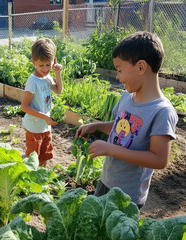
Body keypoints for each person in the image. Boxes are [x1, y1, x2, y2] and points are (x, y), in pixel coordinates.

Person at [75, 31, 178, 209]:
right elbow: (121, 127)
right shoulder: (126, 97)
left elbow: (159, 159)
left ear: (140, 67)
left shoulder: (162, 111)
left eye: (120, 70)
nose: (117, 77)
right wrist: (96, 126)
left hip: (127, 196)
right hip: (107, 179)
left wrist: (110, 149)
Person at [21, 38, 63, 167]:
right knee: (33, 158)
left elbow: (58, 90)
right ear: (33, 62)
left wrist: (58, 73)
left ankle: (41, 177)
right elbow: (24, 107)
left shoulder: (47, 76)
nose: (45, 68)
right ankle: (32, 182)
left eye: (48, 65)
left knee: (44, 154)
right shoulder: (33, 81)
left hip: (45, 125)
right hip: (34, 127)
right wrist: (45, 117)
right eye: (41, 65)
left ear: (53, 61)